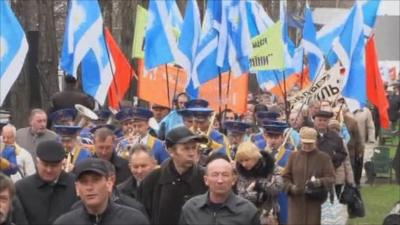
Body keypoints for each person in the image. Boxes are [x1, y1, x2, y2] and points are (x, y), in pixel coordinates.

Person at [137, 126, 208, 225]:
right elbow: (143, 214)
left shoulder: (206, 178)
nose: (192, 153)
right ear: (171, 151)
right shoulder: (153, 179)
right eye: (186, 148)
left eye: (194, 148)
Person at [54, 158, 149, 225]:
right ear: (77, 188)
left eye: (95, 180)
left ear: (109, 183)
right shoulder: (64, 222)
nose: (89, 187)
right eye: (84, 182)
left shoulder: (134, 220)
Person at [179, 155, 260, 225]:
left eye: (225, 175)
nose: (220, 180)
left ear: (233, 180)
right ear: (206, 180)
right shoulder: (191, 208)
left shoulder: (248, 211)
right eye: (215, 175)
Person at [15, 140, 78, 225]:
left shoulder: (76, 185)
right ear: (37, 162)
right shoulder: (21, 188)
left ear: (62, 163)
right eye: (45, 165)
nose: (49, 170)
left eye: (54, 166)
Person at [282, 127, 335, 225]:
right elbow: (285, 177)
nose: (306, 145)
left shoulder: (323, 158)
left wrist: (319, 182)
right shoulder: (293, 156)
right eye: (304, 143)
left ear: (315, 142)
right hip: (296, 204)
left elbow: (331, 178)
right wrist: (292, 188)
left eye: (310, 143)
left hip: (314, 203)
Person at [235, 142, 282, 225]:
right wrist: (253, 194)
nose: (244, 164)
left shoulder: (271, 167)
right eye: (241, 161)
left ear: (255, 157)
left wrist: (260, 184)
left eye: (247, 160)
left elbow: (278, 188)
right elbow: (240, 196)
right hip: (247, 215)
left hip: (269, 215)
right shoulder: (240, 172)